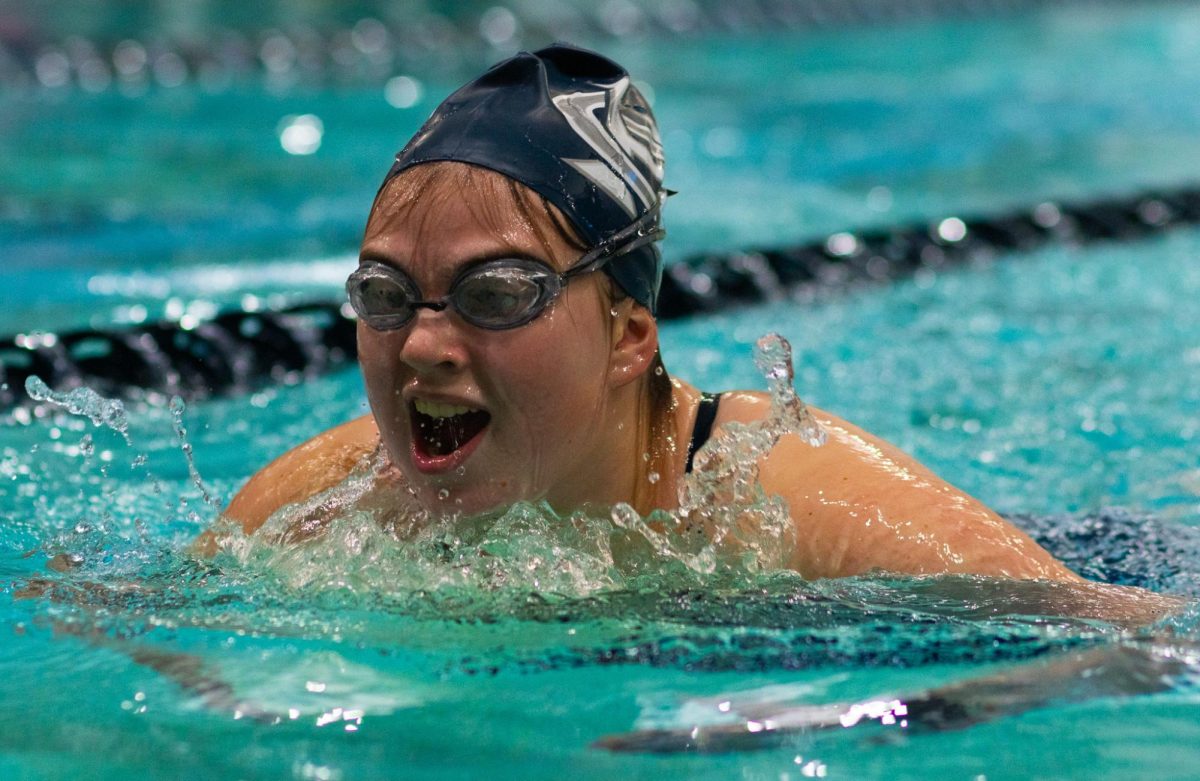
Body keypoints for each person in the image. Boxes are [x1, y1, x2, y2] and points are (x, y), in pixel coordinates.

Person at [215, 45, 1118, 587]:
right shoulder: (331, 501)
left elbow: (1125, 645)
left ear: (628, 334)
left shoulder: (774, 495)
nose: (421, 344)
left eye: (496, 294)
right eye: (383, 293)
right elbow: (125, 628)